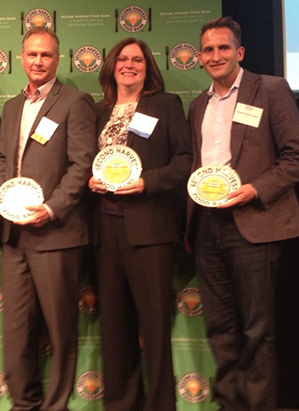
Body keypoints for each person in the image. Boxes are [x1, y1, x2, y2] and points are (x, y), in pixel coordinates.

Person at [187, 17, 299, 411]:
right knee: (220, 331)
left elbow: (297, 156)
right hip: (208, 228)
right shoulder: (198, 105)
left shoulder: (270, 90)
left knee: (258, 331)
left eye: (224, 48)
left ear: (239, 52)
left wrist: (254, 189)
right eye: (208, 49)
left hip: (254, 224)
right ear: (200, 57)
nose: (215, 55)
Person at [0, 27, 97, 410]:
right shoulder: (12, 106)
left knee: (60, 329)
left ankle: (55, 405)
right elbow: (3, 160)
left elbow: (81, 165)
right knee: (16, 329)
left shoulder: (76, 102)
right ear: (21, 57)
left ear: (57, 59)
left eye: (46, 56)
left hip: (56, 233)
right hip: (14, 233)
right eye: (32, 55)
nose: (38, 62)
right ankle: (24, 403)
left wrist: (51, 208)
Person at [88, 38, 192, 411]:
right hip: (105, 228)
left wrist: (149, 181)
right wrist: (90, 180)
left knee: (154, 327)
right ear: (111, 66)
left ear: (148, 67)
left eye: (137, 59)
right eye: (122, 58)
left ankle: (160, 405)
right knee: (114, 330)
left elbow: (184, 161)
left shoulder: (165, 105)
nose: (129, 65)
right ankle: (120, 404)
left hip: (150, 230)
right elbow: (87, 161)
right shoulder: (99, 111)